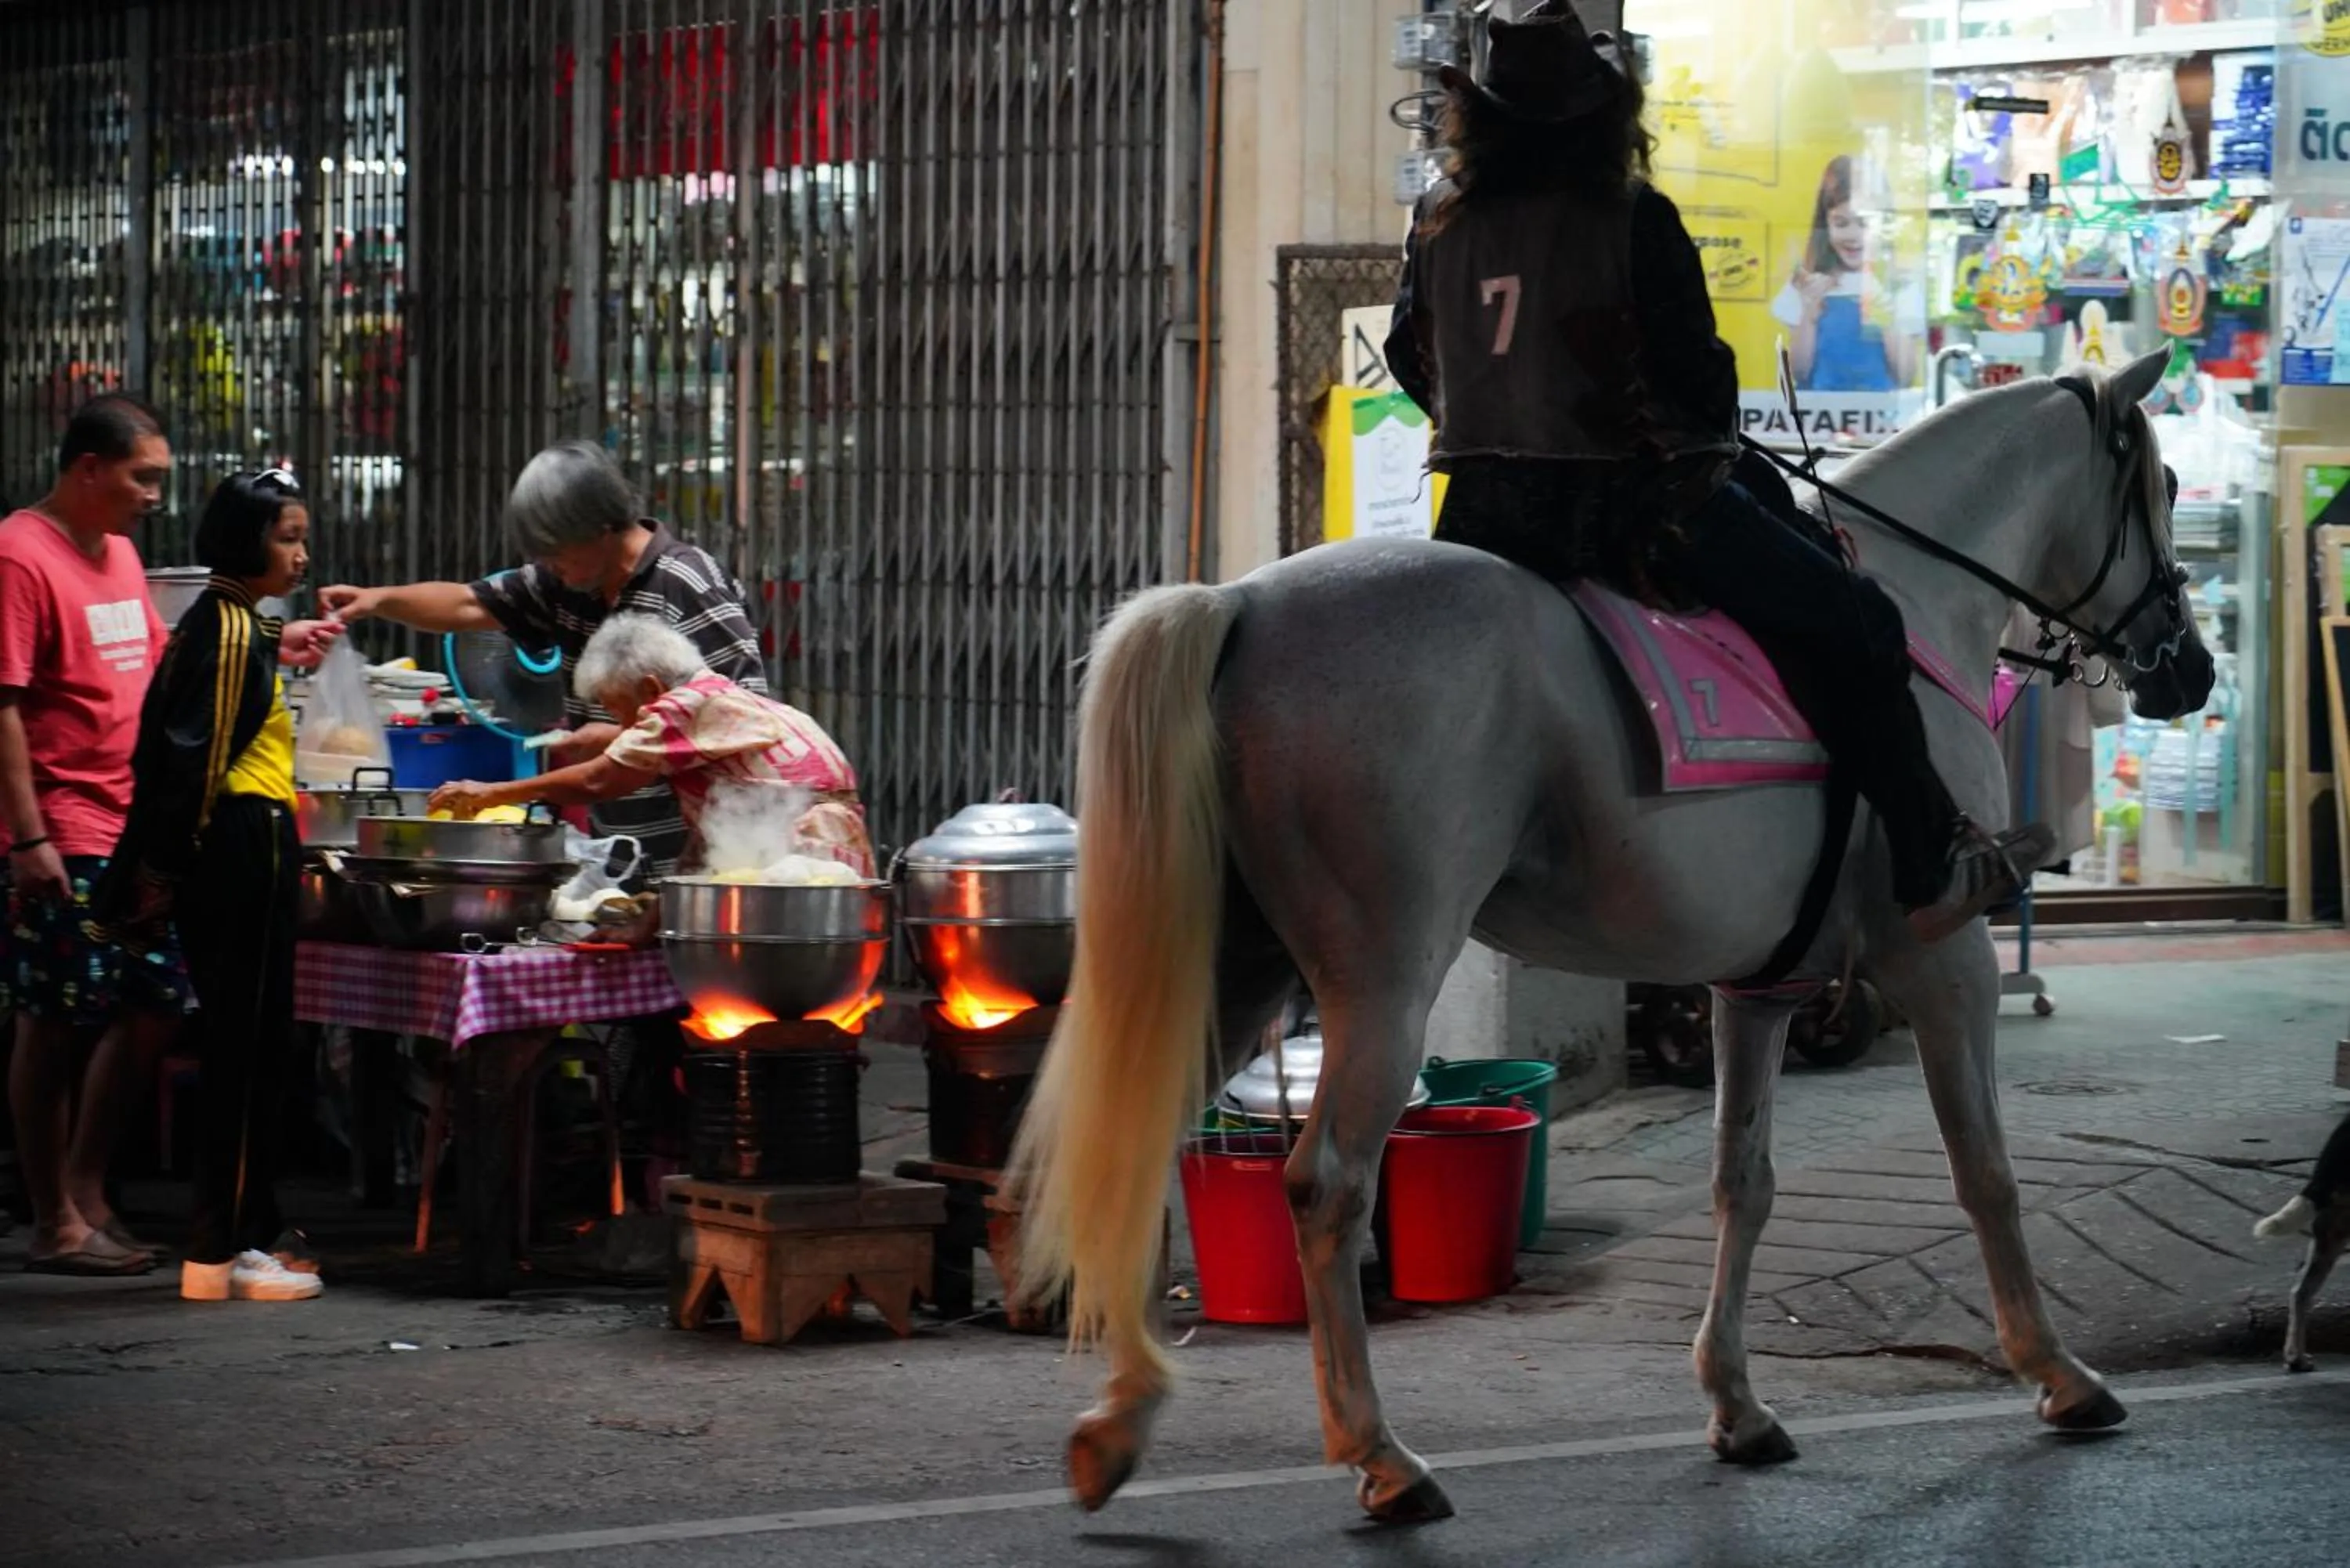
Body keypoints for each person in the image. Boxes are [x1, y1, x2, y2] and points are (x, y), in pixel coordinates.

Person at [1381, 2, 2054, 944]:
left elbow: (1408, 355)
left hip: (1481, 519)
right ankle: (1927, 858)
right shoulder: (1630, 219)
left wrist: (1491, 419)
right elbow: (1700, 379)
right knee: (1857, 617)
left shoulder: (1438, 223)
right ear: (1601, 115)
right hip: (1629, 513)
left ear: (1483, 117)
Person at [89, 470, 344, 1302]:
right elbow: (193, 767)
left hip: (239, 844)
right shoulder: (232, 633)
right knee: (246, 1047)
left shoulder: (229, 623)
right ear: (243, 542)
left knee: (254, 1044)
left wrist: (282, 643)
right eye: (285, 537)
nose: (300, 554)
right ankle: (219, 1249)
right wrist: (165, 869)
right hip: (241, 842)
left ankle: (243, 1234)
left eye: (301, 536)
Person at [317, 440, 765, 878]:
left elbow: (748, 725)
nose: (547, 565)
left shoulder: (687, 584)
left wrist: (619, 736)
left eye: (555, 550)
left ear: (600, 528)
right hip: (625, 853)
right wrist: (375, 600)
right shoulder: (567, 584)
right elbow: (467, 605)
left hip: (707, 859)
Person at [1, 396, 190, 1276]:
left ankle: (87, 1188)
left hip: (130, 820)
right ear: (87, 467)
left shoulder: (117, 550)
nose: (153, 495)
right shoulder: (18, 555)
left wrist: (271, 639)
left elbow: (152, 658)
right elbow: (3, 706)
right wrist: (26, 837)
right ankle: (52, 1220)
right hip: (62, 824)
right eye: (140, 477)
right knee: (57, 1019)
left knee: (151, 1004)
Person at [427, 616, 873, 876]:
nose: (623, 722)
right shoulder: (712, 696)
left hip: (804, 862)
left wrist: (492, 793)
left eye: (618, 709)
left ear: (650, 687)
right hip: (817, 855)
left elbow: (599, 780)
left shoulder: (685, 704)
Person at [1773, 154, 1925, 393]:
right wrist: (1809, 313)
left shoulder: (1900, 286)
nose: (1853, 235)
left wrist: (1883, 312)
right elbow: (1799, 372)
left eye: (1864, 223)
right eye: (1841, 224)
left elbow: (1905, 375)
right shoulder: (1805, 283)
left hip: (1880, 422)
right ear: (1825, 224)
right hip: (1818, 421)